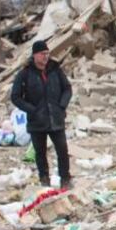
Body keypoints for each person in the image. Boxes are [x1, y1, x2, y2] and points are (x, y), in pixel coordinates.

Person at [11, 40, 73, 188]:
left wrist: (61, 106)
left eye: (47, 53)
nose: (46, 57)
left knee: (62, 150)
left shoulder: (55, 70)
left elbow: (67, 89)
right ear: (35, 55)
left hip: (56, 118)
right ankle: (44, 179)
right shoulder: (25, 74)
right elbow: (15, 96)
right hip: (37, 121)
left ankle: (65, 179)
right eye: (42, 54)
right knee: (40, 153)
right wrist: (32, 110)